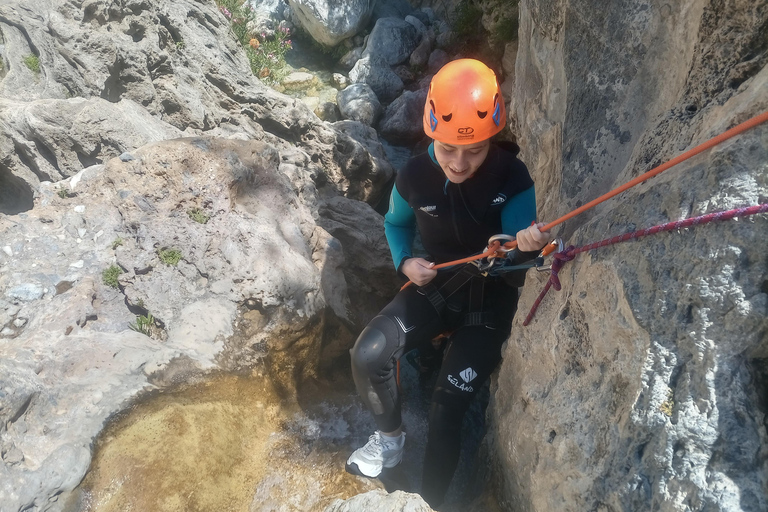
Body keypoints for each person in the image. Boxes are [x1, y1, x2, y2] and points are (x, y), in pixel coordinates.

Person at [345, 59, 550, 508]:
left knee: (446, 408)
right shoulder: (414, 176)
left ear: (491, 137)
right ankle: (391, 440)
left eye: (474, 150)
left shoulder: (512, 178)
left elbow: (516, 258)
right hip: (437, 284)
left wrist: (527, 246)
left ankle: (431, 502)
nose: (460, 162)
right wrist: (405, 263)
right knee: (368, 355)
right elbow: (397, 224)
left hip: (491, 303)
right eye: (449, 149)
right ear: (432, 133)